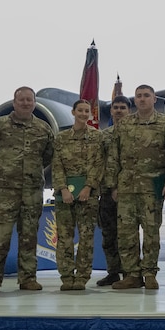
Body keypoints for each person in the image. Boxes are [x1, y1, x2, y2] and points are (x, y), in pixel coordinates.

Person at [0, 86, 55, 292]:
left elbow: (48, 156)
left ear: (34, 103)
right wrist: (0, 170)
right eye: (21, 100)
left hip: (31, 191)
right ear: (14, 102)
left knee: (29, 237)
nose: (25, 103)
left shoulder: (43, 129)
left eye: (29, 100)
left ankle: (28, 278)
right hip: (3, 192)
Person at [108, 84, 165, 290]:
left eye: (146, 95)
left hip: (152, 187)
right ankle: (131, 274)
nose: (141, 99)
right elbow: (114, 155)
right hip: (126, 187)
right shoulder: (124, 124)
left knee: (151, 233)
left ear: (154, 99)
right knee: (126, 233)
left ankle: (149, 273)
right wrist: (113, 185)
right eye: (138, 96)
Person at [51, 99, 103, 291]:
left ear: (90, 114)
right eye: (79, 110)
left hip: (87, 195)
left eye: (86, 111)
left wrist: (88, 187)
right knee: (64, 237)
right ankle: (66, 276)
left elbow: (99, 164)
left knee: (86, 237)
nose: (83, 114)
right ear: (73, 112)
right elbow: (57, 165)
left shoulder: (97, 137)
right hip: (65, 196)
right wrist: (63, 189)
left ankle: (82, 276)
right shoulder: (61, 138)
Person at [95, 95, 130, 286]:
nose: (118, 110)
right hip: (107, 193)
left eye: (122, 107)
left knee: (128, 235)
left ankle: (131, 272)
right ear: (111, 111)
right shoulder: (104, 136)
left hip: (130, 192)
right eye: (115, 107)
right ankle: (113, 272)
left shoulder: (135, 134)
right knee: (109, 235)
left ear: (128, 111)